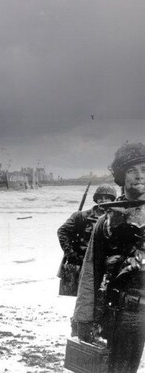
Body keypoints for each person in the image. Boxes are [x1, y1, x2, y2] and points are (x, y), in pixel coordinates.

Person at [73, 142, 145, 373]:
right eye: (132, 170)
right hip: (127, 313)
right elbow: (90, 270)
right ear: (122, 176)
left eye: (144, 169)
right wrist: (83, 317)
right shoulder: (107, 221)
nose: (139, 176)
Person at [57, 184, 117, 328]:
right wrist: (71, 255)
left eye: (107, 198)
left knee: (104, 299)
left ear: (113, 200)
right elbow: (62, 232)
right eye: (100, 198)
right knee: (84, 299)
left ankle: (97, 328)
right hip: (85, 265)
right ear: (96, 200)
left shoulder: (117, 218)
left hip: (106, 265)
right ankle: (78, 327)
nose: (103, 201)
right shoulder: (81, 216)